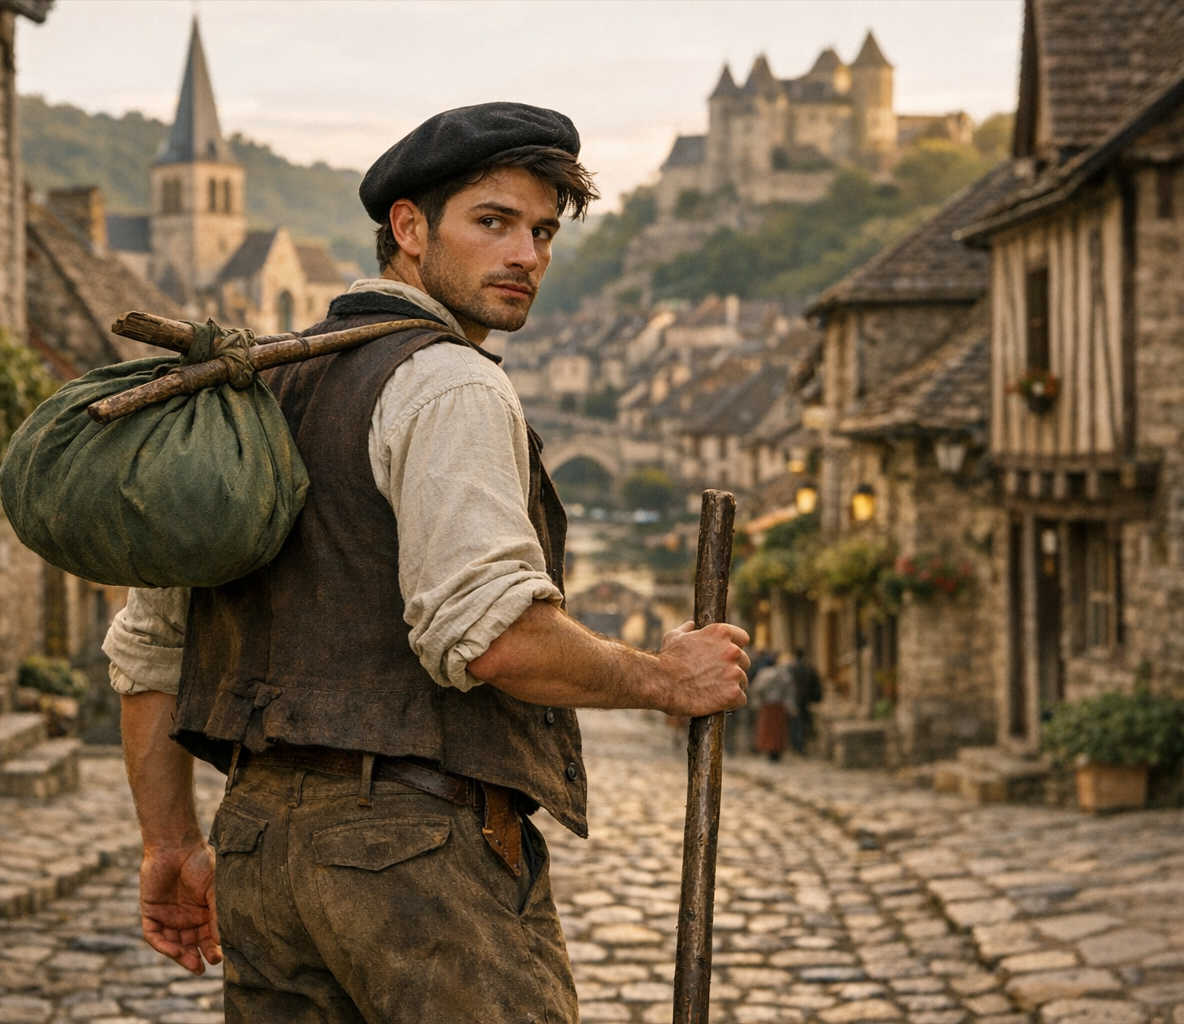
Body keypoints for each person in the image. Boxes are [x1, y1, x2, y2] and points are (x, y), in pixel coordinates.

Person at [102, 103, 751, 1023]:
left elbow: (150, 652)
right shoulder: (449, 381)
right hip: (417, 863)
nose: (527, 254)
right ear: (408, 229)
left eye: (542, 232)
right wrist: (662, 678)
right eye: (492, 223)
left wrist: (168, 844)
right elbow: (493, 638)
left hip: (256, 851)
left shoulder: (245, 393)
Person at [751, 656, 797, 762]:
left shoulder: (764, 674)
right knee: (778, 730)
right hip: (779, 705)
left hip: (767, 705)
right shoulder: (782, 674)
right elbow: (789, 689)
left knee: (768, 729)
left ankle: (769, 751)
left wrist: (757, 701)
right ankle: (777, 751)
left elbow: (757, 688)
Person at [785, 648, 823, 755]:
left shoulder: (790, 669)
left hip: (795, 699)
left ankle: (798, 746)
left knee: (796, 724)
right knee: (802, 723)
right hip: (805, 700)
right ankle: (800, 746)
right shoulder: (808, 669)